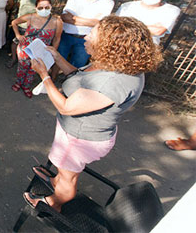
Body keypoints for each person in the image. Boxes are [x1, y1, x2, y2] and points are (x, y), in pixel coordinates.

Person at [23, 16, 162, 212]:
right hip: (79, 133)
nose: (86, 37)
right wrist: (57, 57)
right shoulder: (115, 65)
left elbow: (66, 107)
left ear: (109, 45)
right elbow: (78, 78)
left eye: (92, 35)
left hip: (80, 139)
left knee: (69, 179)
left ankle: (53, 204)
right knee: (67, 170)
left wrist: (44, 75)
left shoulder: (112, 82)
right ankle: (57, 179)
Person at [11, 0, 63, 98]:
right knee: (22, 67)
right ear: (36, 8)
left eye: (47, 7)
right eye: (40, 8)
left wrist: (53, 51)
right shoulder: (31, 17)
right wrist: (18, 35)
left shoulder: (57, 22)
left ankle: (26, 86)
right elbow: (14, 22)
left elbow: (57, 38)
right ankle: (18, 82)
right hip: (25, 48)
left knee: (33, 70)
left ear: (51, 7)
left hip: (41, 51)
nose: (44, 10)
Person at [58, 0, 114, 69]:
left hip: (86, 39)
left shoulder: (108, 2)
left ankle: (72, 82)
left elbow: (98, 23)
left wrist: (74, 18)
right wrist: (90, 20)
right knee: (58, 59)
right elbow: (65, 18)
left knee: (79, 65)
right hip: (66, 36)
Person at [8, 0, 53, 68]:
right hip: (21, 22)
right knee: (15, 42)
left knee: (33, 46)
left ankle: (31, 63)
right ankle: (14, 58)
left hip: (36, 26)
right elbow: (17, 3)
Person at [116, 0, 180, 45]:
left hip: (147, 46)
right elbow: (113, 26)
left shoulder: (171, 10)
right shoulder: (127, 6)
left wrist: (126, 26)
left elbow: (158, 31)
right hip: (119, 42)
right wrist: (149, 27)